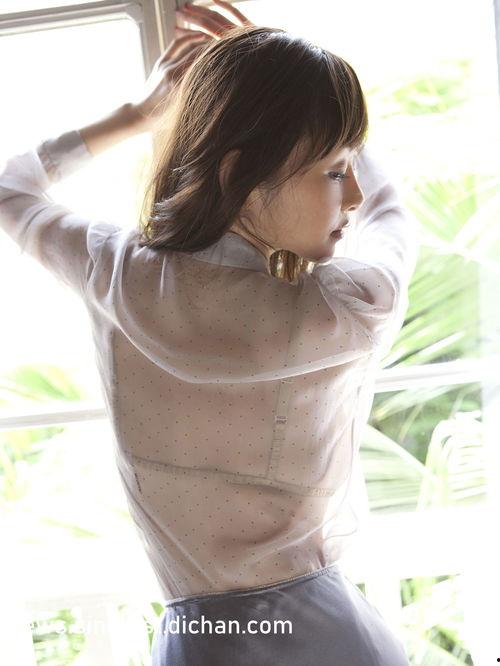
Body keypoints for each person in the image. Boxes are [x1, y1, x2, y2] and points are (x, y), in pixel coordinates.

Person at [0, 1, 420, 663]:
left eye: (348, 166)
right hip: (328, 638)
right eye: (335, 171)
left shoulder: (116, 273)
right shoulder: (347, 307)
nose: (355, 196)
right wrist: (315, 111)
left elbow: (10, 188)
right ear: (239, 175)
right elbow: (392, 215)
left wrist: (137, 115)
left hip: (200, 643)